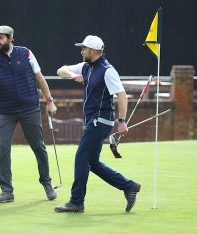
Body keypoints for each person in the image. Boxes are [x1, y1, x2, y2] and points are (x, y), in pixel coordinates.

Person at [0, 25, 58, 203]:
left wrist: (50, 101)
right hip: (6, 112)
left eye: (1, 38)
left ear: (10, 38)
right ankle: (6, 191)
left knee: (39, 147)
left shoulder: (26, 53)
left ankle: (47, 183)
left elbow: (39, 77)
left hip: (30, 109)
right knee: (3, 149)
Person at [54, 35, 141, 213]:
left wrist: (122, 122)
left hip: (100, 121)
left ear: (92, 51)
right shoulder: (86, 66)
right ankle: (129, 186)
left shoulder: (107, 70)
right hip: (94, 121)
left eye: (84, 48)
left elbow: (122, 95)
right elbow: (60, 70)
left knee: (81, 157)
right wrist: (73, 75)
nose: (81, 51)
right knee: (92, 162)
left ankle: (76, 202)